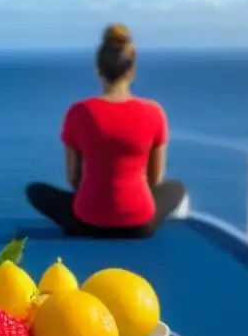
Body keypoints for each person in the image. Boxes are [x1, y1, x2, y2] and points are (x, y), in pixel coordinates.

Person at [25, 23, 187, 238]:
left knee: (35, 191)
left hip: (87, 222)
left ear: (97, 69)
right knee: (176, 188)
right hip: (138, 225)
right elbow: (155, 179)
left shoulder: (79, 112)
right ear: (132, 70)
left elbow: (73, 180)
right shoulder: (154, 112)